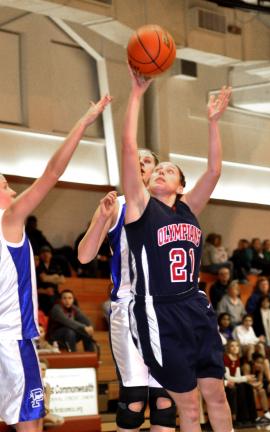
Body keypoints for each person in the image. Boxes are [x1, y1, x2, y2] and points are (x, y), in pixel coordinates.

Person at [121, 66, 232, 432]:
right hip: (158, 311)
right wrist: (136, 96)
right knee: (187, 406)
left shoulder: (188, 208)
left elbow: (214, 170)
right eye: (156, 170)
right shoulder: (140, 206)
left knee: (216, 394)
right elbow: (128, 150)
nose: (159, 173)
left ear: (181, 186)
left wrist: (213, 122)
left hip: (194, 306)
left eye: (169, 171)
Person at [0, 94, 111, 432]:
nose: (14, 191)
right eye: (5, 186)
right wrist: (85, 122)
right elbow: (52, 172)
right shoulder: (8, 220)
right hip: (12, 338)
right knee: (30, 422)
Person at [78, 150, 177, 432]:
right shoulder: (117, 205)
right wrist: (101, 219)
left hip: (167, 311)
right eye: (137, 159)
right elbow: (84, 257)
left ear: (157, 172)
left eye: (148, 161)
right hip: (129, 306)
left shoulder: (173, 210)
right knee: (133, 400)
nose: (141, 164)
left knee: (165, 401)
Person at [223, 340, 257, 426]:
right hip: (224, 384)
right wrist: (246, 378)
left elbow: (237, 377)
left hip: (233, 382)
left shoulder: (237, 358)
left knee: (247, 386)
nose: (235, 348)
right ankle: (240, 418)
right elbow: (228, 377)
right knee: (240, 387)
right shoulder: (225, 357)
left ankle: (251, 417)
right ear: (228, 348)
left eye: (237, 346)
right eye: (232, 346)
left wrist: (247, 380)